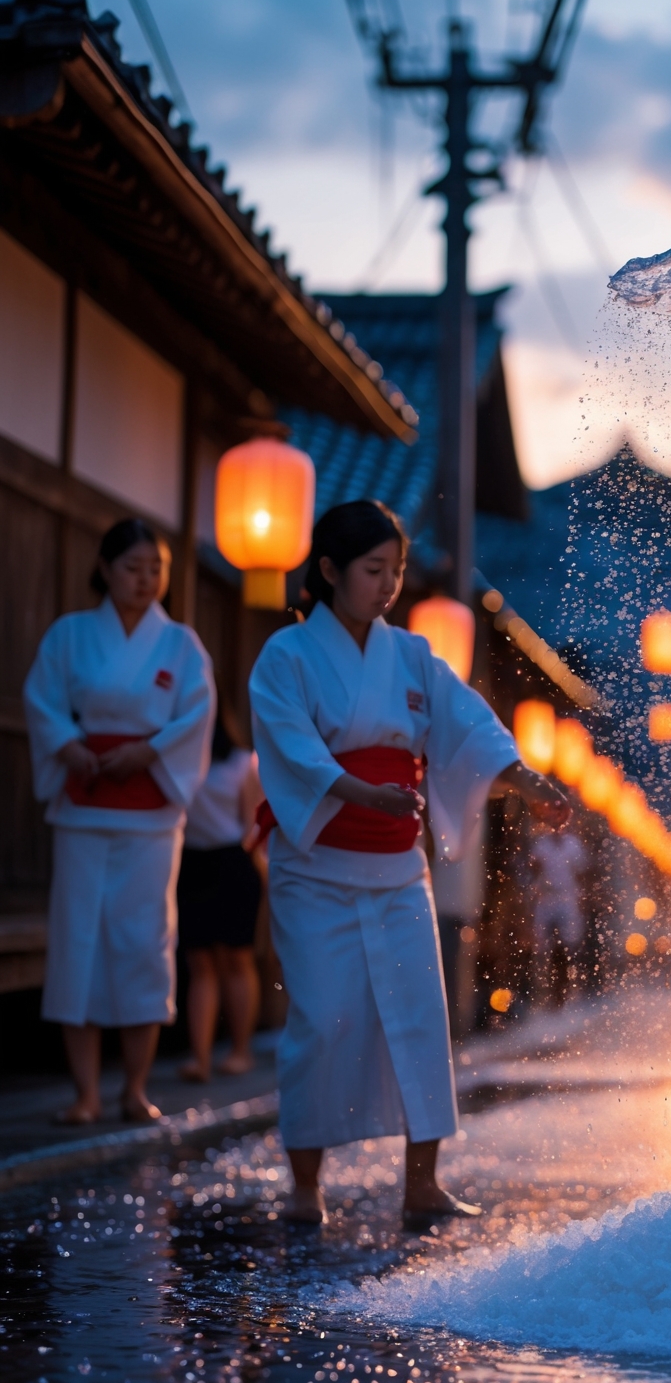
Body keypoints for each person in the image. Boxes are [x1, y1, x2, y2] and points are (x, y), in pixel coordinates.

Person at [248, 500, 571, 1229]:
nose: (389, 584)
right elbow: (292, 749)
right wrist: (363, 790)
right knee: (323, 1019)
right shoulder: (288, 656)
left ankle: (422, 1181)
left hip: (396, 864)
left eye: (396, 570)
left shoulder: (413, 654)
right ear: (329, 571)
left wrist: (524, 777)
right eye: (373, 570)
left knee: (420, 1015)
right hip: (318, 862)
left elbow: (466, 724)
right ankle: (307, 1184)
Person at [23, 518, 213, 1125]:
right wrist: (70, 745)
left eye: (155, 570)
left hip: (150, 811)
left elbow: (195, 716)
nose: (146, 580)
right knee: (77, 944)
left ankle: (133, 1089)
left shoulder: (182, 645)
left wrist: (151, 750)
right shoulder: (70, 635)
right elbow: (43, 701)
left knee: (143, 944)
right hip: (85, 800)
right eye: (134, 568)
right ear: (105, 568)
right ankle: (85, 1093)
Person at [176, 691, 265, 1080]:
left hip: (233, 860)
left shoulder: (243, 762)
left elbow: (253, 826)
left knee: (236, 958)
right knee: (199, 961)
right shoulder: (180, 760)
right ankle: (201, 1057)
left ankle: (241, 1049)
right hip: (191, 860)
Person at [529, 816, 591, 1008]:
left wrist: (583, 899)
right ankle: (543, 989)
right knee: (541, 945)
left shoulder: (574, 845)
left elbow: (581, 872)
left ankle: (568, 987)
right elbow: (534, 870)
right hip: (547, 897)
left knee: (568, 944)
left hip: (567, 896)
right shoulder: (541, 844)